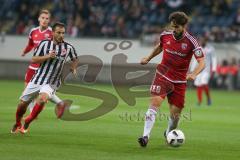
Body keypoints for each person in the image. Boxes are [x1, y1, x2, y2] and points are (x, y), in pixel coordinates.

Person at [138, 11, 205, 147]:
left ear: (184, 26)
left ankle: (169, 133)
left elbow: (202, 62)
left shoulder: (192, 41)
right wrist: (148, 58)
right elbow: (160, 47)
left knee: (175, 114)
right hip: (162, 75)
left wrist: (194, 74)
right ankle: (145, 136)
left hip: (179, 82)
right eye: (172, 26)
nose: (174, 30)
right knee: (155, 102)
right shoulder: (165, 35)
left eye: (177, 27)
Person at [11, 22, 79, 134]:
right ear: (52, 33)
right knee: (22, 104)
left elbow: (75, 59)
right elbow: (34, 59)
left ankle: (28, 120)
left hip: (52, 81)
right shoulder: (44, 44)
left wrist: (73, 67)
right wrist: (47, 56)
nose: (61, 35)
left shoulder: (68, 47)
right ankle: (18, 123)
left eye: (63, 33)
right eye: (59, 32)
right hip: (38, 78)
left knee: (42, 99)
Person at [21, 9, 64, 113]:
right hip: (33, 65)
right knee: (27, 89)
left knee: (43, 93)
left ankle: (60, 103)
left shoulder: (51, 33)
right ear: (39, 18)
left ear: (49, 20)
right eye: (43, 18)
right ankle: (33, 112)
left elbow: (61, 45)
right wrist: (25, 51)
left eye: (47, 18)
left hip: (45, 68)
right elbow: (31, 44)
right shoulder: (33, 31)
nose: (44, 20)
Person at [191, 36, 217, 106]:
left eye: (203, 41)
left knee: (203, 83)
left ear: (206, 41)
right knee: (198, 84)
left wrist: (214, 69)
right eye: (201, 41)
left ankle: (208, 98)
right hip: (199, 70)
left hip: (207, 69)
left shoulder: (210, 49)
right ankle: (199, 101)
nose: (201, 42)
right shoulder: (198, 49)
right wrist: (192, 70)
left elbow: (214, 59)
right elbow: (195, 60)